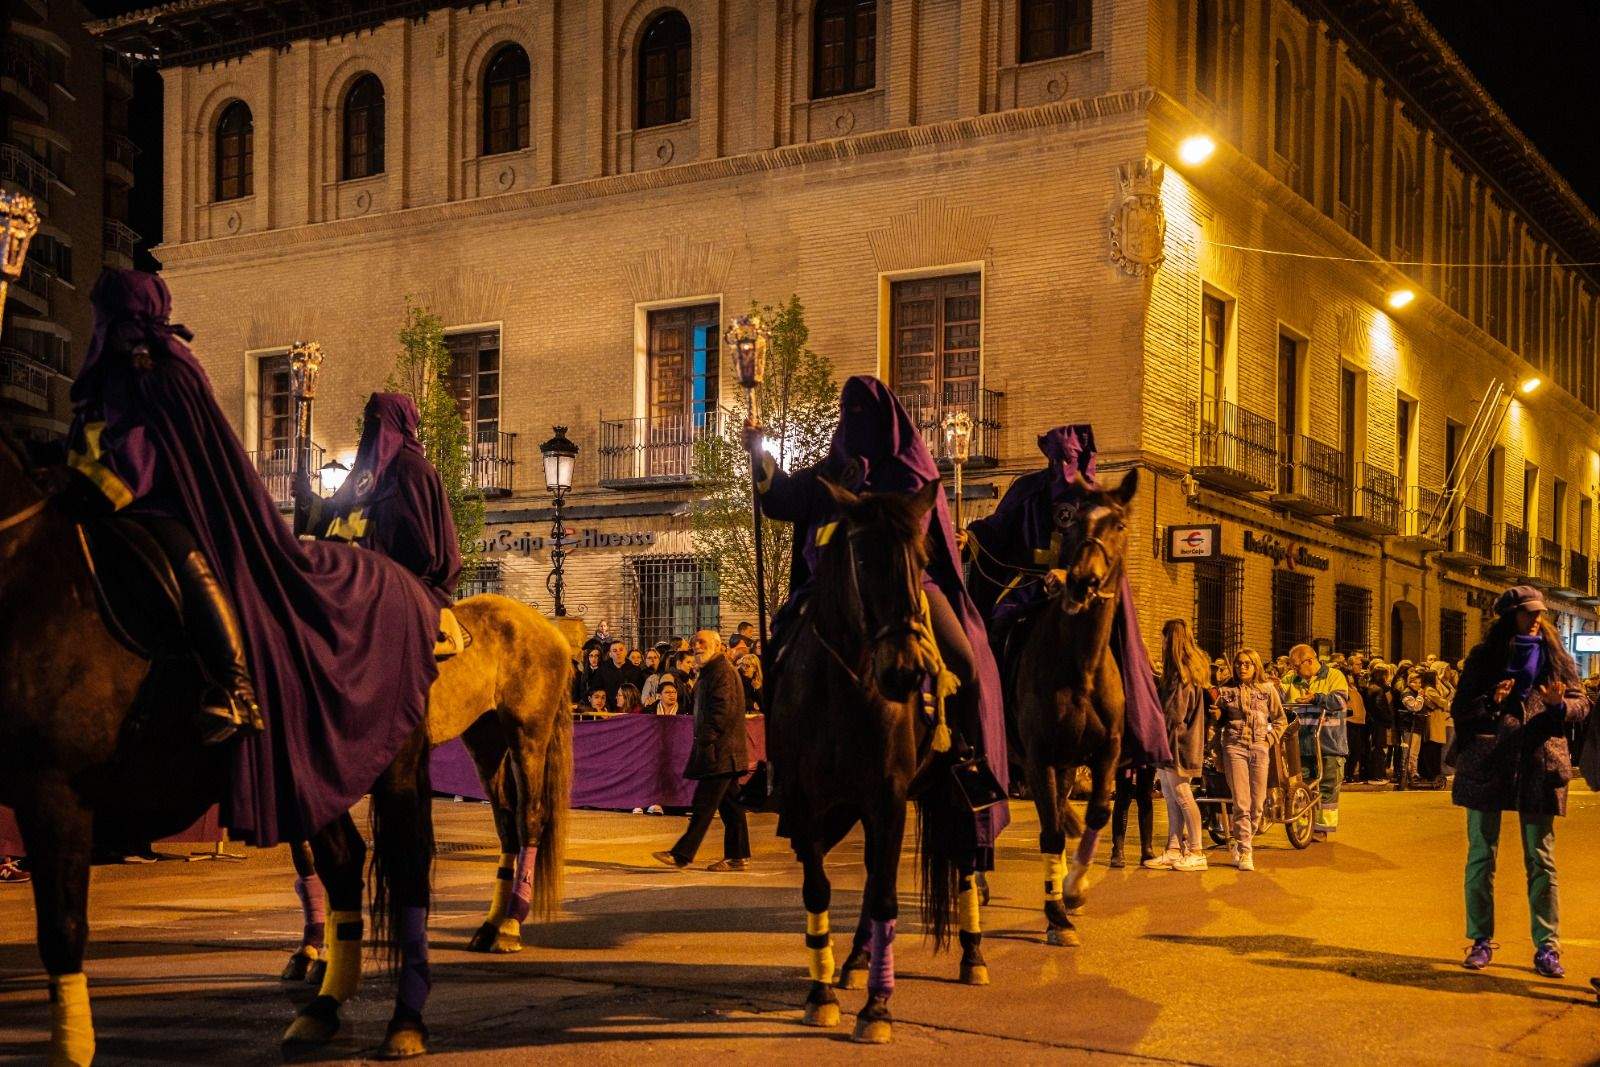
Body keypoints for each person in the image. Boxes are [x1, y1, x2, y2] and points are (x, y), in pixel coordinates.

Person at [66, 270, 441, 849]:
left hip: (172, 503)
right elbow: (331, 516)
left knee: (185, 558)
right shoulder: (119, 369)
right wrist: (313, 499)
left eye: (375, 423)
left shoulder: (166, 367)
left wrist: (118, 484)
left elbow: (424, 543)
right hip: (119, 502)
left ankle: (234, 686)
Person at [749, 375, 1011, 873]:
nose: (856, 424)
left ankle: (963, 755)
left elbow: (922, 529)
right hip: (825, 589)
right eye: (848, 414)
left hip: (902, 591)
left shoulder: (910, 472)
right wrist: (758, 453)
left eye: (865, 415)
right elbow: (780, 500)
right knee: (777, 653)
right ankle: (784, 769)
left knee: (965, 660)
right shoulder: (830, 472)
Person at [961, 424, 1169, 775]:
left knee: (1122, 640)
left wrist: (1070, 571)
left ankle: (1133, 728)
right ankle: (987, 719)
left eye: (1071, 458)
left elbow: (1102, 545)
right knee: (994, 630)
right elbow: (998, 527)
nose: (1064, 465)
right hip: (1029, 586)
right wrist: (970, 536)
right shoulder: (1028, 490)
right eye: (1059, 458)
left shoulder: (1096, 498)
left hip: (1084, 590)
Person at [1452, 586, 1589, 977]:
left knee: (1541, 860)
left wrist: (1559, 705)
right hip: (1488, 761)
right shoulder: (1485, 657)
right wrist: (1491, 702)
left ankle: (1547, 947)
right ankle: (1480, 940)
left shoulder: (1555, 656)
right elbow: (1460, 707)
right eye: (1529, 612)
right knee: (1481, 855)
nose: (1537, 618)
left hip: (1538, 762)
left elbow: (1581, 704)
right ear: (1510, 615)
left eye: (1540, 612)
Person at [293, 392, 460, 609]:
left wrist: (376, 557)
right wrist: (306, 498)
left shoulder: (414, 471)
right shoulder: (359, 476)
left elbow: (424, 546)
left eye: (379, 422)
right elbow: (334, 521)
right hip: (357, 584)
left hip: (403, 591)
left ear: (399, 424)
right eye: (369, 422)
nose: (372, 430)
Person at [654, 630, 751, 872]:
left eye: (702, 642)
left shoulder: (721, 672)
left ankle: (682, 854)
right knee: (731, 807)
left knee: (704, 805)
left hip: (720, 751)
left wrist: (706, 740)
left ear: (717, 647)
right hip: (722, 751)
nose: (696, 646)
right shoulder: (712, 671)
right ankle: (737, 856)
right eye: (695, 642)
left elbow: (722, 711)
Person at [1145, 620, 1210, 871]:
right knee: (1172, 797)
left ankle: (1196, 850)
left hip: (1176, 745)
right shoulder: (1181, 673)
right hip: (1173, 744)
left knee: (1182, 795)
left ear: (1170, 640)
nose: (1160, 643)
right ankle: (1173, 848)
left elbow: (1173, 715)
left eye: (1163, 638)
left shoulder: (1180, 676)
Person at [1215, 648, 1288, 871]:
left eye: (1247, 663)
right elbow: (1216, 722)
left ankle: (1241, 840)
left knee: (1257, 805)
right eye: (1239, 663)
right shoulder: (1226, 690)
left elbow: (1280, 719)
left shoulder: (1268, 690)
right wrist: (1215, 717)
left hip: (1259, 747)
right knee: (1241, 802)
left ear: (1256, 666)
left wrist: (1269, 739)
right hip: (1234, 746)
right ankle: (1246, 849)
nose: (1242, 667)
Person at [1282, 644, 1350, 837]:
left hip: (1328, 743)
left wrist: (1317, 698)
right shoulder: (1291, 679)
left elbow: (1339, 701)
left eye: (1296, 666)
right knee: (1302, 786)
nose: (1293, 670)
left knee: (1327, 787)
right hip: (1300, 744)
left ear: (1310, 661)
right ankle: (1305, 825)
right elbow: (1279, 693)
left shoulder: (1334, 676)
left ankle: (1321, 828)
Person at [1362, 664, 1395, 783]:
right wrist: (1388, 719)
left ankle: (1372, 772)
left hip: (1371, 722)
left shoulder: (1369, 687)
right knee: (1379, 748)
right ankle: (1378, 773)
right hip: (1378, 723)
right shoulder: (1378, 690)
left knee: (1374, 747)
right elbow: (1379, 707)